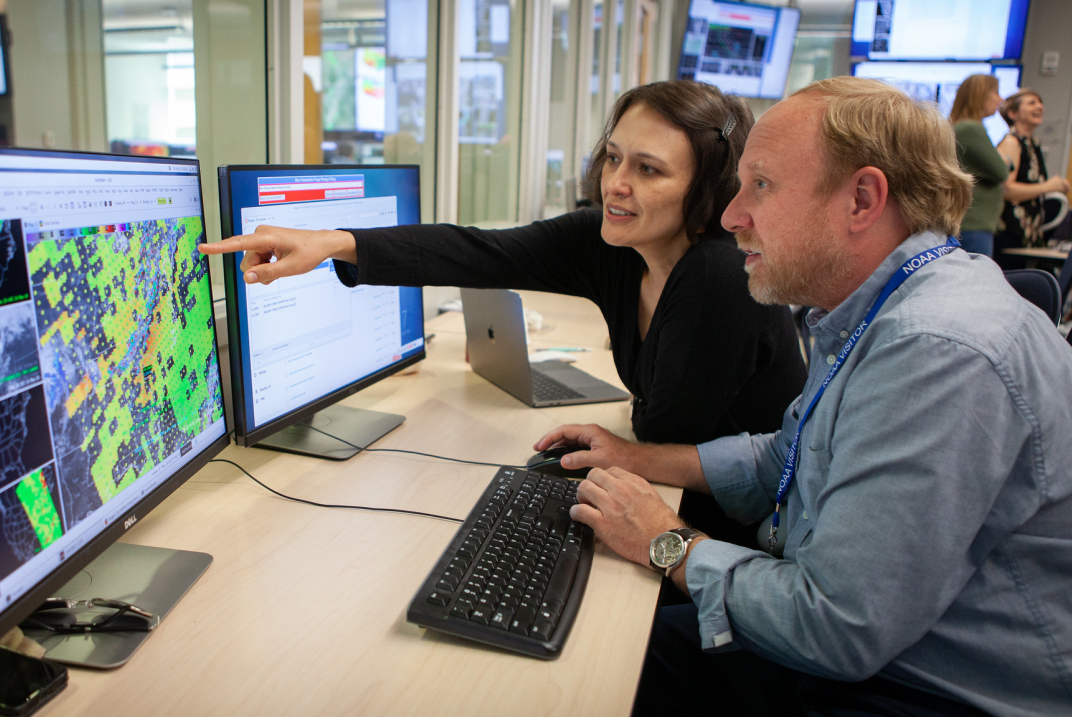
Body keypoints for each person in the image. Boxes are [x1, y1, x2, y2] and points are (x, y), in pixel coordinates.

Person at [530, 76, 1072, 716]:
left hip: (938, 688)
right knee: (591, 644)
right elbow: (785, 457)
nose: (731, 217)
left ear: (863, 199)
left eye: (760, 185)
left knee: (582, 682)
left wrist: (664, 539)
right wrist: (635, 459)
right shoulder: (877, 306)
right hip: (891, 644)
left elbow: (837, 627)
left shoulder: (939, 350)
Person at [200, 81, 807, 492]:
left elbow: (665, 434)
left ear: (707, 189)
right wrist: (337, 242)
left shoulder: (719, 275)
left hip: (728, 520)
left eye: (647, 169)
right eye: (614, 158)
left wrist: (627, 442)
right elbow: (484, 252)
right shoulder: (619, 246)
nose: (616, 183)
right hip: (669, 491)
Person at [993, 89, 1071, 269]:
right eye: (1031, 103)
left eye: (1040, 102)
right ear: (1013, 114)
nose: (1039, 106)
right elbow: (1007, 190)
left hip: (1029, 232)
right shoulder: (1012, 142)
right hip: (1011, 233)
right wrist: (1047, 186)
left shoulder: (1032, 144)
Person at [949, 74, 1008, 257]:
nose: (1000, 99)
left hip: (966, 224)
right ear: (979, 95)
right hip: (973, 226)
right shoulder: (970, 129)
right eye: (995, 93)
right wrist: (1007, 159)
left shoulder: (958, 126)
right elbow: (1001, 171)